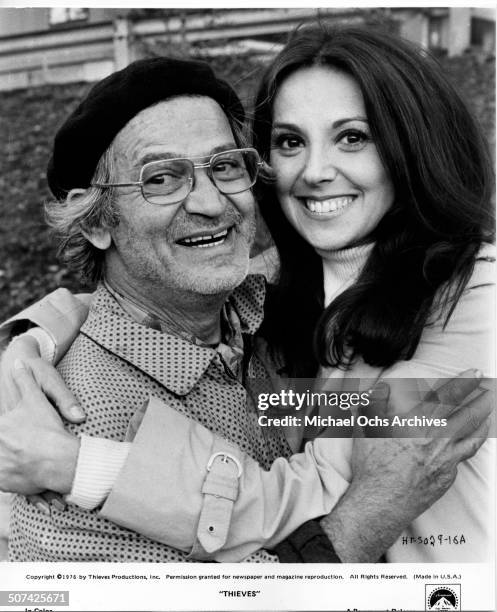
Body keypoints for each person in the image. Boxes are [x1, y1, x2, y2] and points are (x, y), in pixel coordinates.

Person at [0, 26, 494, 562]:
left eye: (225, 165)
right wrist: (34, 338)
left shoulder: (478, 301)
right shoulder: (74, 415)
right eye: (161, 178)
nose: (315, 171)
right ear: (97, 221)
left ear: (412, 145)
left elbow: (347, 484)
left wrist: (76, 464)